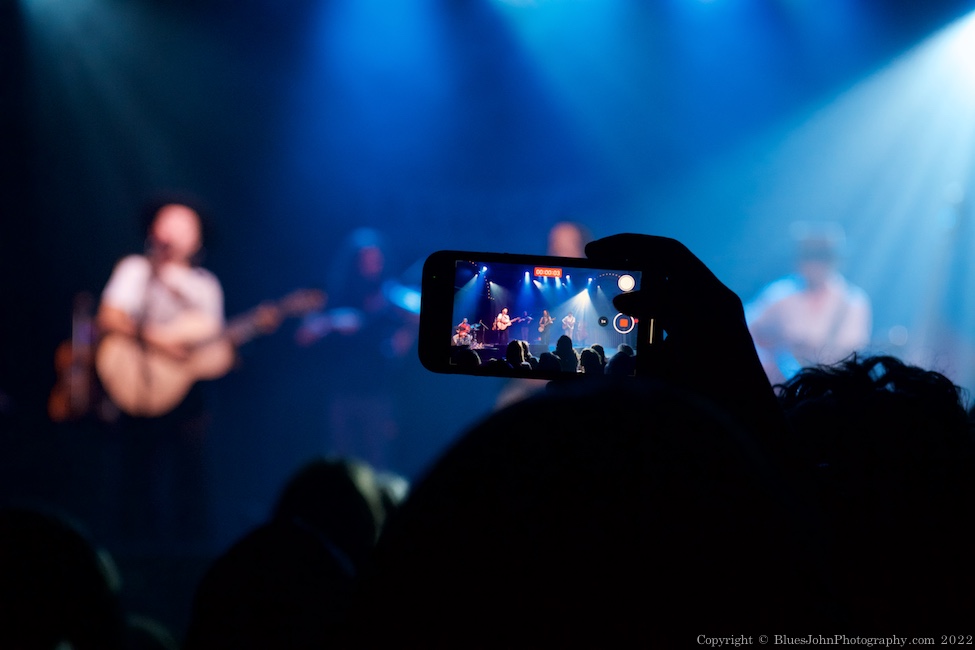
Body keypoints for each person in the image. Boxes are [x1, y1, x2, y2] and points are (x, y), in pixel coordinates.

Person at [95, 199, 225, 544]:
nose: (173, 231)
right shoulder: (135, 270)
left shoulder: (205, 285)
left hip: (185, 393)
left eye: (184, 224)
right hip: (132, 387)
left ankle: (187, 550)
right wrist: (160, 341)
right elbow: (109, 316)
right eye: (167, 221)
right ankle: (130, 545)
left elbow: (212, 343)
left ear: (198, 239)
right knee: (134, 472)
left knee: (186, 472)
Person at [747, 224, 872, 386]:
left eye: (821, 257)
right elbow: (745, 327)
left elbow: (856, 353)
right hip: (781, 387)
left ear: (834, 260)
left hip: (830, 388)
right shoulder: (779, 295)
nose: (814, 265)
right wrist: (767, 362)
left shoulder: (854, 302)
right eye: (808, 257)